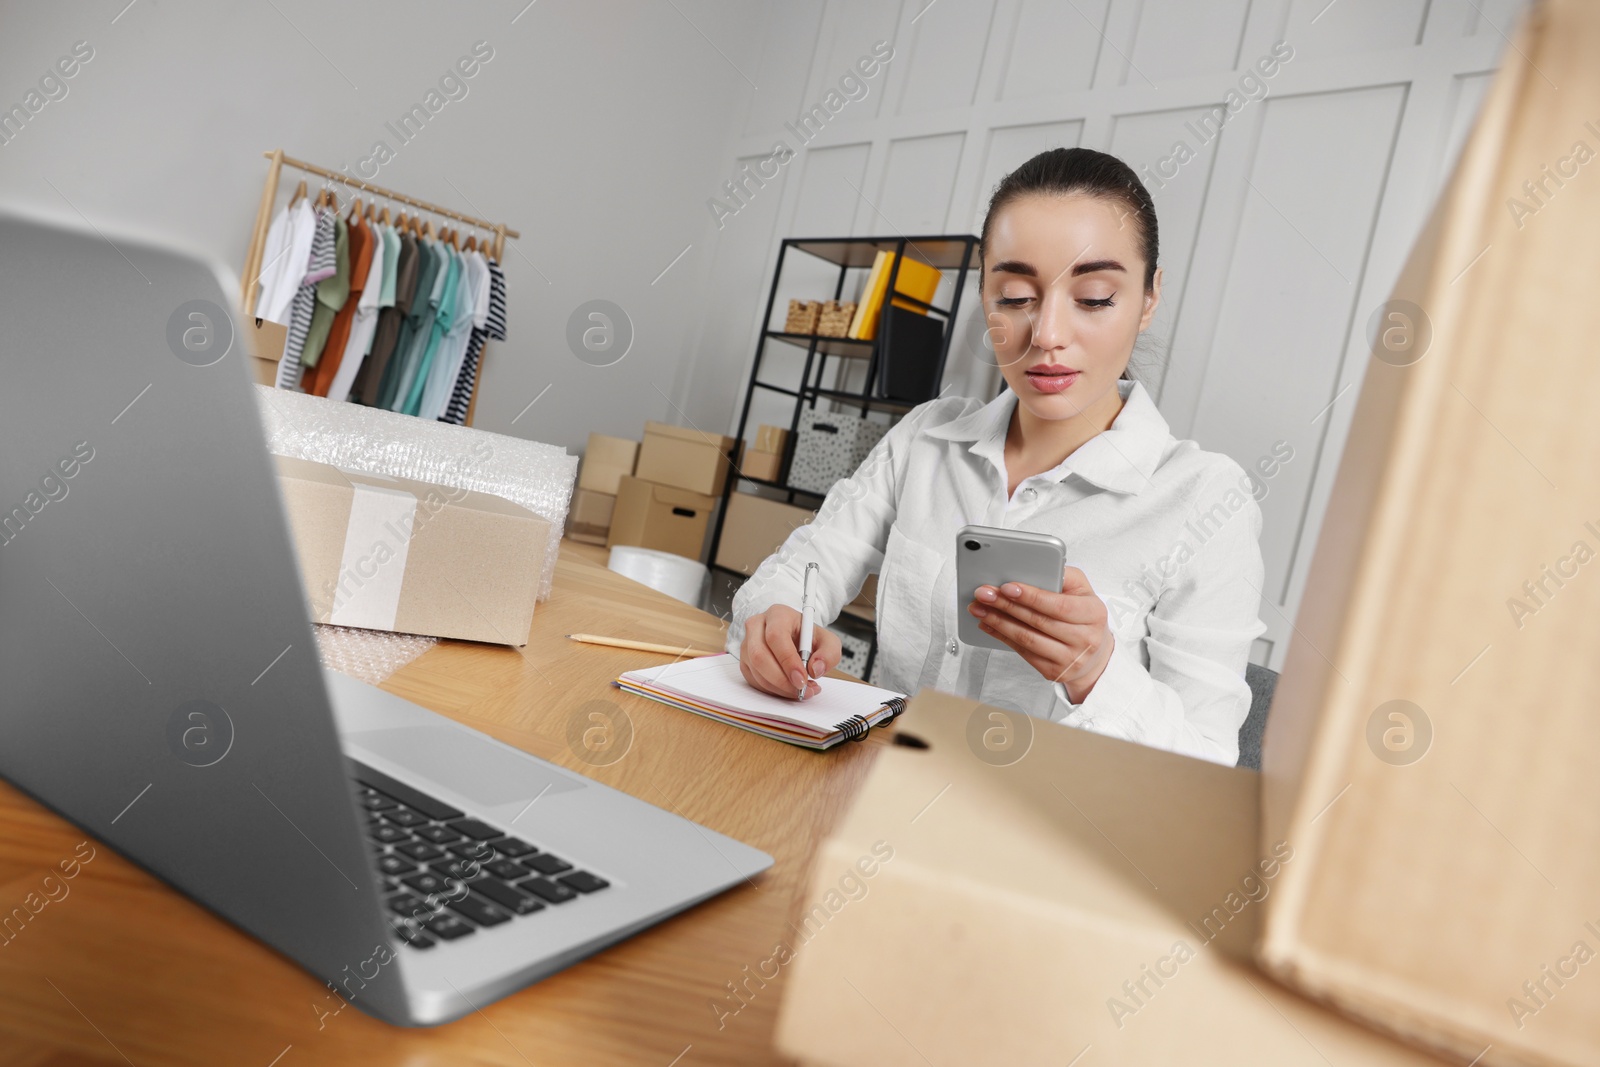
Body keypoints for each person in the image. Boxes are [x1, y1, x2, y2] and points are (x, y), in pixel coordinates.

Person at [727, 147, 1266, 766]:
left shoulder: (1206, 500)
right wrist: (774, 620)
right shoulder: (926, 438)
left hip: (1043, 842)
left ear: (1148, 298)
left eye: (1093, 297)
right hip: (884, 793)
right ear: (984, 293)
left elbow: (1205, 767)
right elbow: (807, 566)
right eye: (1014, 296)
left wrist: (1097, 671)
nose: (1047, 335)